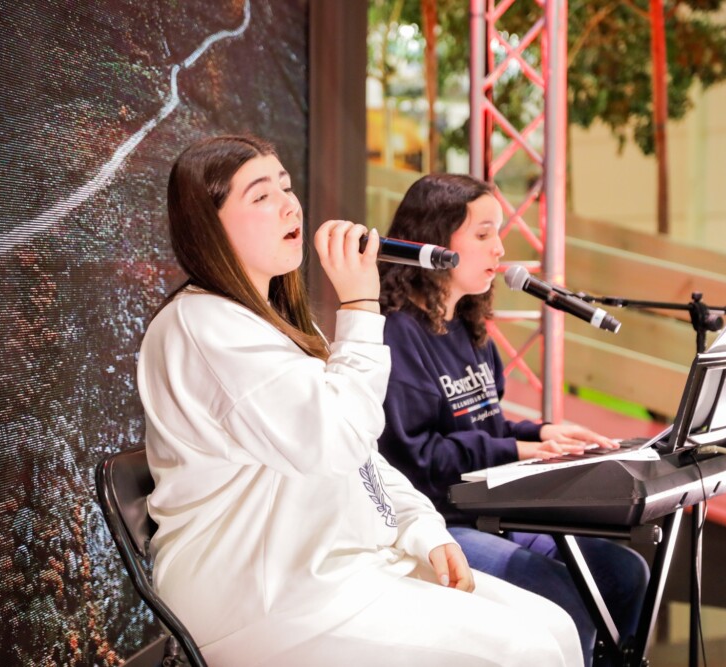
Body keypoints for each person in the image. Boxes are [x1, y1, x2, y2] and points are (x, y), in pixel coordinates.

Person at [137, 136, 583, 666]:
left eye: (286, 186)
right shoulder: (201, 325)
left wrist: (420, 527)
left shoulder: (278, 328)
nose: (289, 204)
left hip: (345, 566)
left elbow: (365, 458)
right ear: (207, 225)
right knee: (526, 652)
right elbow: (337, 441)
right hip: (268, 596)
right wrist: (360, 304)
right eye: (260, 196)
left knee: (555, 628)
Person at [376, 173, 650, 667]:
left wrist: (539, 433)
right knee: (560, 599)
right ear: (437, 240)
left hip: (490, 512)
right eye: (483, 234)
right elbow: (419, 457)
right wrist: (520, 450)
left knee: (623, 573)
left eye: (498, 233)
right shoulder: (395, 334)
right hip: (438, 522)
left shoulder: (465, 326)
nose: (500, 250)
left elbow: (485, 427)